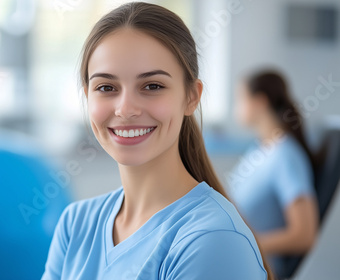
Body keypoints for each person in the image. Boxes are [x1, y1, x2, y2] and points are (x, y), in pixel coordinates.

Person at [42, 2, 271, 280]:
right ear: (87, 95)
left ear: (191, 97)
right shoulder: (75, 224)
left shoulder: (213, 240)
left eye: (152, 86)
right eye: (106, 87)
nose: (125, 109)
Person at [229, 70, 319, 278]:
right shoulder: (260, 149)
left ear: (259, 102)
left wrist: (246, 244)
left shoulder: (286, 157)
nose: (237, 107)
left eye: (240, 99)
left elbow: (305, 235)